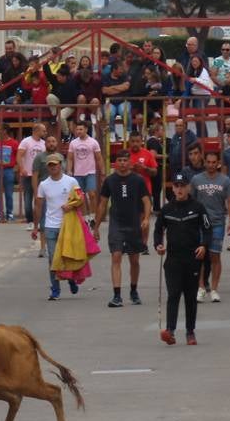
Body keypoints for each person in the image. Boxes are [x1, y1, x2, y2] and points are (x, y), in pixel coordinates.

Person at [154, 173, 212, 346]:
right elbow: (158, 230)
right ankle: (170, 331)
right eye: (176, 186)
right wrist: (158, 245)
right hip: (173, 260)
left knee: (190, 297)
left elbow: (207, 229)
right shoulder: (167, 209)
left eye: (182, 186)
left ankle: (190, 332)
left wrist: (204, 245)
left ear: (188, 188)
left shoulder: (198, 207)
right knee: (173, 294)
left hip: (192, 259)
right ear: (172, 188)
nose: (179, 189)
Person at [94, 149, 152, 308]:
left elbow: (147, 201)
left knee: (134, 260)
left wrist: (146, 218)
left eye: (125, 160)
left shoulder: (138, 180)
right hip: (116, 224)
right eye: (119, 160)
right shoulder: (110, 181)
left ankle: (133, 291)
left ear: (130, 162)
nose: (122, 163)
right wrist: (96, 227)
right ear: (115, 163)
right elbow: (102, 204)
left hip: (134, 224)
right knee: (116, 257)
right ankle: (117, 295)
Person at [33, 152, 82, 300]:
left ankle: (71, 279)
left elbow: (81, 199)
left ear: (61, 165)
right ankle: (55, 289)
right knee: (53, 259)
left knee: (67, 257)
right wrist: (36, 226)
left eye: (55, 164)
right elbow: (39, 206)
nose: (53, 167)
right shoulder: (44, 185)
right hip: (50, 225)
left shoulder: (71, 181)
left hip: (67, 225)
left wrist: (71, 206)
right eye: (50, 165)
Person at [191, 151, 230, 302]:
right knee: (200, 256)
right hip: (199, 223)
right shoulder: (196, 180)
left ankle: (215, 289)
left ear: (218, 163)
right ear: (204, 162)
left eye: (213, 162)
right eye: (208, 162)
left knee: (215, 255)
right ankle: (201, 287)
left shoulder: (225, 181)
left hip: (217, 222)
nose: (211, 165)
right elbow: (191, 201)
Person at [127, 132, 158, 252]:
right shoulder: (125, 154)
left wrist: (145, 169)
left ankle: (144, 244)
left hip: (145, 191)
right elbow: (118, 170)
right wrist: (130, 168)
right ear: (129, 141)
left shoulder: (147, 154)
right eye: (133, 141)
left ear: (141, 142)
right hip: (128, 190)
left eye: (137, 141)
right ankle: (131, 243)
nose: (135, 144)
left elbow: (155, 172)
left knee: (144, 218)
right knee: (129, 218)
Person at [31, 135, 61, 257]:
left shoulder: (60, 157)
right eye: (49, 141)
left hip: (58, 193)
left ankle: (58, 246)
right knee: (43, 219)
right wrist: (35, 191)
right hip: (44, 192)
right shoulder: (39, 157)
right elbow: (35, 176)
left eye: (53, 141)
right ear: (45, 144)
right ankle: (43, 247)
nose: (51, 143)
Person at [65, 120, 102, 218]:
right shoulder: (73, 143)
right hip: (78, 173)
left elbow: (99, 158)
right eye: (77, 129)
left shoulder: (93, 142)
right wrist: (69, 170)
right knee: (80, 196)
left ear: (86, 129)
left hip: (90, 172)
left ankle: (93, 215)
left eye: (81, 129)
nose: (79, 131)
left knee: (92, 194)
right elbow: (69, 158)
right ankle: (85, 217)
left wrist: (102, 171)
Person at [16, 123, 46, 229]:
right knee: (28, 198)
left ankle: (40, 220)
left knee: (40, 198)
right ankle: (30, 221)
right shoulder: (26, 141)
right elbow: (19, 155)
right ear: (36, 131)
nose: (44, 133)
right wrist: (22, 168)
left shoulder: (43, 143)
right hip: (28, 173)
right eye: (43, 131)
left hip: (40, 175)